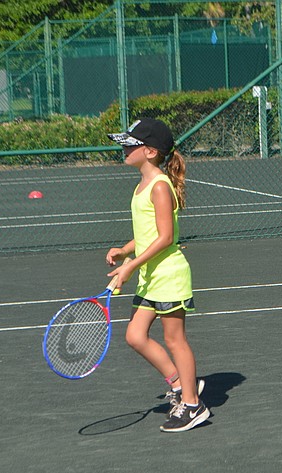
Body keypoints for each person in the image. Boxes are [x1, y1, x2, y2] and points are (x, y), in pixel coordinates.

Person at [106, 118, 209, 433]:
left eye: (130, 144)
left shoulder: (160, 186)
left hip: (168, 274)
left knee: (174, 340)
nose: (124, 148)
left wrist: (129, 267)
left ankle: (193, 406)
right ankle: (180, 383)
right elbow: (149, 233)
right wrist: (125, 251)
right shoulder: (142, 185)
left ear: (150, 151)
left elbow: (166, 237)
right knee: (135, 336)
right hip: (151, 275)